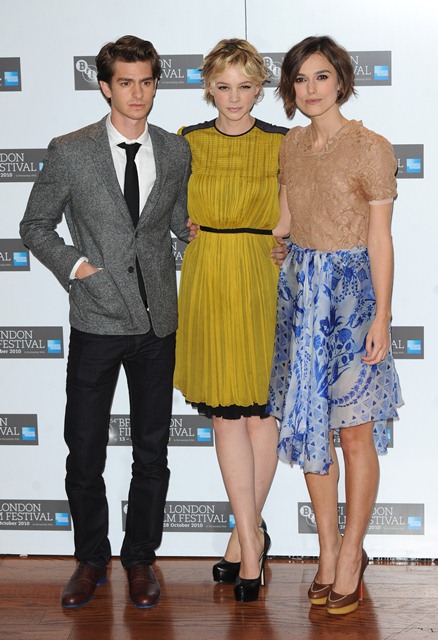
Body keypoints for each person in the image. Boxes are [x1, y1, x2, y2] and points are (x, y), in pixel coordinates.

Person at [20, 35, 191, 609]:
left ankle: (141, 559)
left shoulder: (175, 150)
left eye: (146, 81)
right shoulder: (71, 151)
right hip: (96, 320)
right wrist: (79, 268)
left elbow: (179, 223)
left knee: (152, 450)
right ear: (104, 86)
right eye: (125, 82)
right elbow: (35, 226)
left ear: (155, 84)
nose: (137, 93)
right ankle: (91, 559)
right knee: (85, 448)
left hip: (158, 322)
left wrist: (207, 238)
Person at [269, 35, 403, 615]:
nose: (311, 89)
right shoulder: (292, 145)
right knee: (313, 431)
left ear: (342, 81)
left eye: (321, 77)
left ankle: (352, 554)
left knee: (354, 434)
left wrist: (382, 314)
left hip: (351, 300)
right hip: (302, 296)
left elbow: (380, 238)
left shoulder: (371, 148)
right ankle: (326, 552)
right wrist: (273, 243)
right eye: (300, 79)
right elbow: (285, 221)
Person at [173, 38, 288, 603]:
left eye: (245, 86)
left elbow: (295, 212)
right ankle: (251, 538)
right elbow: (166, 209)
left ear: (260, 87)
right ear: (208, 88)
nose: (234, 97)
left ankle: (244, 543)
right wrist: (182, 226)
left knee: (261, 414)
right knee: (225, 415)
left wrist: (285, 240)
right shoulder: (187, 141)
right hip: (208, 274)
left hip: (261, 272)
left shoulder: (283, 143)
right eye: (223, 87)